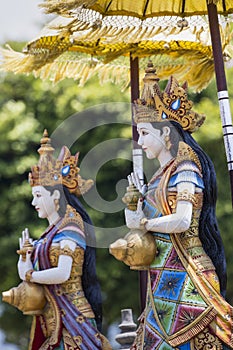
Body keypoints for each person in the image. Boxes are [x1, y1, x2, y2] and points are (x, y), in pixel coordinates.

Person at [111, 62, 233, 349]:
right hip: (162, 273)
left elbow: (181, 220)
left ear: (165, 134)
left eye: (144, 133)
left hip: (188, 273)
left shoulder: (186, 169)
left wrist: (146, 223)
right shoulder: (157, 177)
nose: (139, 142)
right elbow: (135, 224)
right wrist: (132, 206)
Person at [8, 130, 111, 350]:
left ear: (55, 197)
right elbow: (26, 274)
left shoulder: (71, 229)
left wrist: (29, 274)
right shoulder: (48, 235)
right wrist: (25, 258)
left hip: (73, 319)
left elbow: (63, 273)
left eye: (38, 196)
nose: (34, 202)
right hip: (52, 318)